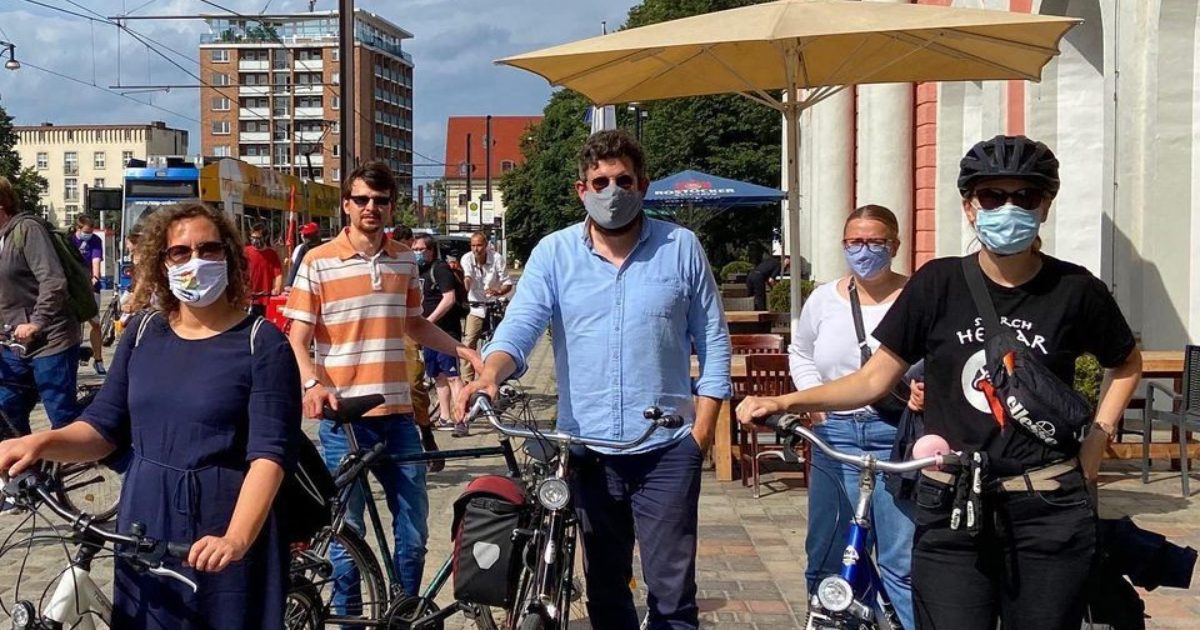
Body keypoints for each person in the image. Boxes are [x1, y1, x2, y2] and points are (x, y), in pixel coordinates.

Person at [738, 135, 1143, 630]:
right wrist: (784, 398)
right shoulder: (937, 284)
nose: (1008, 207)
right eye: (993, 196)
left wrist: (1098, 436)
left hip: (1045, 509)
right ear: (970, 207)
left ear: (1046, 206)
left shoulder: (1075, 289)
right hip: (953, 505)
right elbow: (872, 379)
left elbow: (1125, 362)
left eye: (1025, 197)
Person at [460, 130, 731, 630]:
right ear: (581, 190)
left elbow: (714, 342)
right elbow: (520, 327)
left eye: (623, 180)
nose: (612, 191)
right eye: (600, 181)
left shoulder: (682, 247)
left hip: (666, 446)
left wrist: (700, 435)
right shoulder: (554, 253)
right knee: (606, 588)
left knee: (672, 593)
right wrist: (490, 374)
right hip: (587, 447)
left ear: (643, 185)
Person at [0, 201, 301, 628]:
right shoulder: (143, 333)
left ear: (229, 257)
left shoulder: (261, 342)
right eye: (180, 252)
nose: (195, 260)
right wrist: (40, 442)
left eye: (209, 249)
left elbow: (270, 455)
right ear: (162, 262)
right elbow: (103, 426)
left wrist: (236, 537)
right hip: (146, 513)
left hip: (225, 517)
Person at [284, 161, 480, 601]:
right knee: (346, 537)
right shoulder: (318, 261)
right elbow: (296, 339)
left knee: (412, 530)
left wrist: (461, 350)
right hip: (345, 419)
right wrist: (312, 385)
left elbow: (414, 323)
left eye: (380, 200)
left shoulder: (405, 260)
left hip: (398, 416)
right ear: (347, 205)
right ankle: (351, 621)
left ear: (391, 207)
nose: (371, 207)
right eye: (362, 200)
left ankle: (404, 612)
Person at [789, 204, 918, 629]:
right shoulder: (825, 298)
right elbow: (801, 351)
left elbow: (944, 359)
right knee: (829, 553)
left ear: (894, 245)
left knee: (901, 561)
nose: (864, 251)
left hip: (898, 436)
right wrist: (813, 398)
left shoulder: (919, 296)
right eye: (854, 242)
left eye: (875, 242)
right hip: (836, 436)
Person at [0, 175, 81, 437]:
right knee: (7, 412)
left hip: (49, 339)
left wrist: (37, 321)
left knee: (61, 414)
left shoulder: (27, 230)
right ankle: (27, 475)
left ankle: (75, 463)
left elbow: (53, 280)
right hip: (10, 343)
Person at [392, 226, 443, 472]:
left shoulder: (413, 265)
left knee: (413, 384)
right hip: (380, 330)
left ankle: (426, 434)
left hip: (407, 329)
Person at [413, 234, 468, 437]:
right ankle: (445, 417)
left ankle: (461, 419)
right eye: (415, 249)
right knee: (438, 376)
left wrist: (429, 321)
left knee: (453, 376)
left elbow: (449, 298)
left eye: (420, 249)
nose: (417, 253)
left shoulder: (440, 268)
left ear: (430, 250)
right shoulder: (421, 270)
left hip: (445, 331)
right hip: (428, 335)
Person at [459, 231, 513, 382]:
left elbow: (507, 283)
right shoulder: (467, 258)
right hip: (476, 307)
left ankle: (496, 377)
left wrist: (498, 291)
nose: (476, 249)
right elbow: (468, 276)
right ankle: (467, 381)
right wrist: (465, 284)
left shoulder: (496, 258)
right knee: (468, 343)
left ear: (487, 245)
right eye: (473, 246)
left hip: (493, 305)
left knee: (498, 343)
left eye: (479, 245)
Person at [69, 215, 107, 374]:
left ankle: (98, 359)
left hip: (91, 286)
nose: (89, 234)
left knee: (95, 323)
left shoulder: (96, 240)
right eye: (86, 231)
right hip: (74, 286)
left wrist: (95, 277)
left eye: (91, 231)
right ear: (78, 229)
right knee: (75, 325)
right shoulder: (69, 241)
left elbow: (96, 260)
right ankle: (73, 360)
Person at [244, 222, 282, 316]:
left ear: (264, 238)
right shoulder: (245, 252)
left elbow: (278, 274)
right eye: (252, 238)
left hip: (264, 299)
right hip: (248, 297)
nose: (254, 241)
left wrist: (277, 288)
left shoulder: (272, 254)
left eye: (258, 238)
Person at [285, 222, 323, 289]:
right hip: (307, 282)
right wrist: (289, 284)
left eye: (307, 235)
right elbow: (296, 266)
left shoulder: (325, 247)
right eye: (304, 235)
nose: (304, 237)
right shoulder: (303, 248)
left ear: (316, 235)